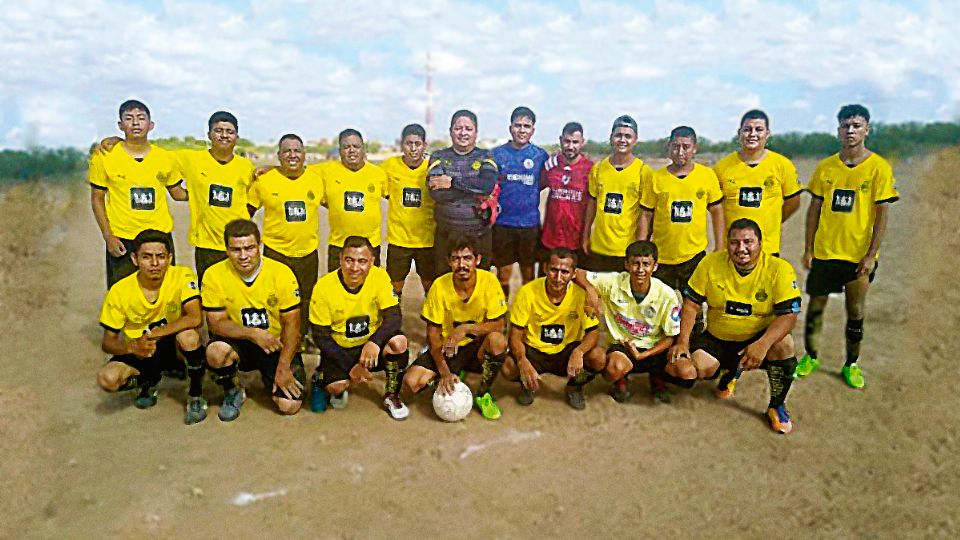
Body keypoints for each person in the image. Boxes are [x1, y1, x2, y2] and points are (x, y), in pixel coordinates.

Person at [798, 104, 899, 389]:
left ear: (867, 129)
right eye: (845, 125)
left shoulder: (878, 168)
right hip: (826, 253)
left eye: (856, 125)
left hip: (857, 258)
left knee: (855, 312)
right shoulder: (826, 167)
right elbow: (813, 210)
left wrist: (870, 255)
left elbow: (882, 215)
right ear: (838, 130)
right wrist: (809, 249)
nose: (850, 130)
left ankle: (851, 364)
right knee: (815, 307)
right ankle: (811, 356)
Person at [669, 218, 802, 434]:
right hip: (718, 337)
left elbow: (789, 315)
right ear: (727, 243)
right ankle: (730, 374)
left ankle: (777, 405)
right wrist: (683, 342)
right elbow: (692, 304)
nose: (741, 249)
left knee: (784, 344)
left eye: (748, 242)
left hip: (758, 338)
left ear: (760, 243)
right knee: (698, 367)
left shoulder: (779, 269)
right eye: (734, 242)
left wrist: (762, 344)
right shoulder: (711, 263)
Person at [98, 111, 257, 284]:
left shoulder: (246, 166)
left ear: (237, 136)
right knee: (211, 295)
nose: (224, 135)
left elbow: (255, 196)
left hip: (239, 243)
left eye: (229, 131)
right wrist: (121, 141)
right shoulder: (190, 159)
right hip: (207, 244)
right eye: (218, 130)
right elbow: (149, 152)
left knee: (243, 292)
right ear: (209, 134)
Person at [95, 229, 207, 425]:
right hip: (141, 350)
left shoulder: (182, 276)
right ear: (134, 259)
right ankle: (147, 381)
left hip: (172, 345)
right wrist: (131, 347)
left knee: (189, 337)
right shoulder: (120, 291)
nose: (155, 264)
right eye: (147, 257)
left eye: (160, 257)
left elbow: (195, 318)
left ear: (169, 258)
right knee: (108, 379)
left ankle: (195, 396)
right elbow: (108, 342)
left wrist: (155, 334)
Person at [202, 219, 306, 421]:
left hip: (275, 344)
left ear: (260, 246)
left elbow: (292, 327)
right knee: (215, 353)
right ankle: (233, 390)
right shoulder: (213, 275)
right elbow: (216, 323)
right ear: (226, 250)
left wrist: (284, 367)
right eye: (235, 249)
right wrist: (252, 333)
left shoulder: (281, 273)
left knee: (289, 405)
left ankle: (274, 373)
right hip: (240, 342)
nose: (243, 256)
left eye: (249, 248)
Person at [402, 238, 509, 420]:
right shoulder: (439, 286)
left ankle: (483, 394)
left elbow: (499, 325)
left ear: (477, 260)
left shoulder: (489, 281)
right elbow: (433, 334)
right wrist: (444, 371)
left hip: (477, 347)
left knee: (498, 341)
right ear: (449, 262)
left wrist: (465, 329)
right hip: (448, 347)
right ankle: (449, 377)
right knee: (411, 383)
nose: (462, 264)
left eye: (467, 258)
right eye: (456, 259)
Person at [308, 236, 410, 419]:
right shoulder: (323, 287)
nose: (355, 268)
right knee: (335, 387)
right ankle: (320, 378)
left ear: (372, 262)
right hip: (340, 349)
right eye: (349, 260)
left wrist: (375, 343)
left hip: (370, 348)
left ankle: (392, 395)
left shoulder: (379, 277)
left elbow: (394, 317)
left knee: (399, 342)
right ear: (340, 259)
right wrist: (350, 367)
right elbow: (321, 336)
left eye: (362, 261)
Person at [90, 100, 187, 288]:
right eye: (129, 118)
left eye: (141, 118)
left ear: (150, 125)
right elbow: (97, 198)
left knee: (164, 292)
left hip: (159, 237)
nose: (135, 123)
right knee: (123, 294)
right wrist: (108, 237)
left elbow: (177, 193)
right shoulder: (104, 156)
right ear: (120, 125)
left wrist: (202, 192)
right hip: (123, 238)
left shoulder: (165, 158)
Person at [573, 240, 683, 404]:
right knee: (613, 369)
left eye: (646, 264)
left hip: (654, 347)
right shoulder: (614, 282)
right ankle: (620, 380)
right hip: (624, 346)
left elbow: (670, 337)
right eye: (635, 264)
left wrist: (644, 354)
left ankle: (657, 378)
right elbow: (577, 272)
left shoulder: (667, 295)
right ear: (626, 264)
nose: (640, 270)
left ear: (655, 266)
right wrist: (590, 290)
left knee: (686, 373)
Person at [500, 249, 600, 410]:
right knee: (508, 367)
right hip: (534, 350)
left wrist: (579, 352)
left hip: (566, 350)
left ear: (574, 273)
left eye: (565, 272)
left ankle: (575, 386)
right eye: (554, 270)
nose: (558, 278)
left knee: (598, 357)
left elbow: (593, 332)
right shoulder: (527, 292)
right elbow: (515, 335)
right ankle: (527, 384)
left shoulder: (582, 295)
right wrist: (522, 360)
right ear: (545, 268)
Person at [247, 134, 324, 342]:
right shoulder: (265, 181)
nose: (292, 155)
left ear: (304, 155)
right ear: (279, 155)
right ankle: (276, 335)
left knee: (306, 298)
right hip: (276, 252)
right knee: (275, 298)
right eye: (287, 151)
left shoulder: (317, 180)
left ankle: (302, 335)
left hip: (307, 252)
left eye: (297, 151)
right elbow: (247, 213)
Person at [639, 126, 725, 294]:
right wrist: (642, 246)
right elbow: (646, 214)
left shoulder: (706, 176)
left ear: (694, 148)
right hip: (662, 256)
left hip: (693, 256)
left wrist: (720, 246)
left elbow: (717, 211)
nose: (680, 152)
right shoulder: (656, 178)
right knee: (659, 306)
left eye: (685, 147)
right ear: (669, 147)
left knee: (694, 306)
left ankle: (696, 321)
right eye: (675, 146)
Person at [714, 109, 803, 256]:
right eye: (747, 129)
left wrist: (773, 221)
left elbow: (794, 201)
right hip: (733, 249)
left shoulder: (782, 165)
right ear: (739, 133)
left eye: (759, 129)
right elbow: (715, 207)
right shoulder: (722, 167)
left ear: (767, 134)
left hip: (767, 249)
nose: (752, 134)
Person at [427, 110, 499, 274]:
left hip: (479, 233)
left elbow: (486, 186)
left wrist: (452, 182)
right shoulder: (438, 156)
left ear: (476, 132)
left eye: (468, 128)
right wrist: (473, 190)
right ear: (451, 131)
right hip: (447, 234)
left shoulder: (486, 156)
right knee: (444, 282)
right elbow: (437, 194)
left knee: (479, 283)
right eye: (458, 128)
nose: (463, 133)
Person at [582, 115, 652, 272]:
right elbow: (592, 205)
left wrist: (639, 247)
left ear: (635, 140)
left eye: (628, 136)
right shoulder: (598, 168)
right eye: (618, 135)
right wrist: (585, 236)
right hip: (599, 247)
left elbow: (645, 214)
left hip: (626, 250)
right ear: (611, 138)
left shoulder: (643, 171)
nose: (622, 140)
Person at [492, 106, 549, 296]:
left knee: (528, 275)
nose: (522, 130)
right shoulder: (496, 154)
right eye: (518, 125)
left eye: (526, 126)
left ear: (533, 130)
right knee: (503, 274)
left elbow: (542, 183)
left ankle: (525, 316)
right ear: (510, 128)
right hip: (503, 224)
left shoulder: (540, 156)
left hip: (529, 225)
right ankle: (502, 316)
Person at [313, 129, 388, 271]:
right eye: (346, 147)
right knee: (337, 289)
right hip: (339, 245)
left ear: (364, 149)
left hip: (371, 245)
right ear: (339, 150)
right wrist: (271, 169)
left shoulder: (378, 174)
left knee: (370, 289)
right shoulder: (325, 171)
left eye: (356, 146)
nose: (351, 151)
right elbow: (295, 169)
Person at [380, 124, 436, 296]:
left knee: (430, 286)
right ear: (401, 144)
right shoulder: (388, 166)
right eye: (408, 143)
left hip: (427, 241)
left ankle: (432, 320)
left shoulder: (432, 169)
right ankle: (395, 321)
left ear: (424, 145)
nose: (413, 148)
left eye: (417, 144)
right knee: (395, 288)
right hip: (399, 240)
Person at [540, 121, 593, 265]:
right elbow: (533, 189)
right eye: (567, 141)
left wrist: (586, 236)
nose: (570, 146)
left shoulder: (591, 169)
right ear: (560, 140)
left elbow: (593, 205)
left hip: (576, 240)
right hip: (550, 238)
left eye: (575, 142)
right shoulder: (550, 165)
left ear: (582, 142)